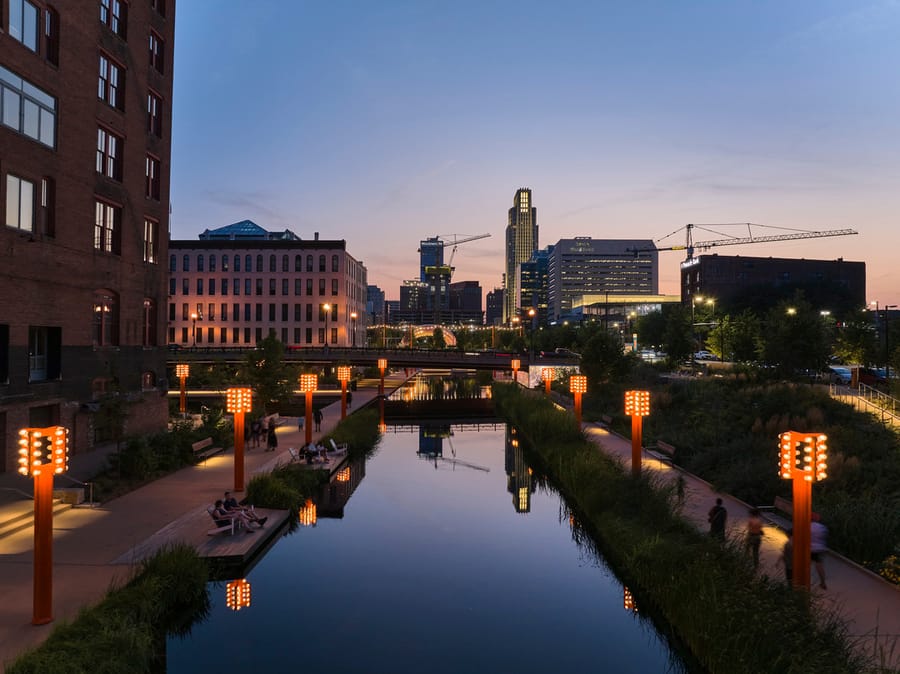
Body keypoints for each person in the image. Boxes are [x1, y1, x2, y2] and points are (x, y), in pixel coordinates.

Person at [811, 512, 828, 590]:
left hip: (810, 549)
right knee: (819, 566)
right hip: (820, 548)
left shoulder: (808, 526)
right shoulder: (822, 527)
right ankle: (823, 583)